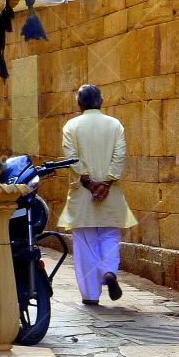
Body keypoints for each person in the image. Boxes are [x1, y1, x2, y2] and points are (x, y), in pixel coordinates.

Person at [57, 84, 137, 305]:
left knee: (85, 242)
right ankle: (109, 271)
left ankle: (91, 295)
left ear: (79, 103)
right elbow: (119, 155)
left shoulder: (71, 126)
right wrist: (108, 182)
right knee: (110, 236)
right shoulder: (114, 125)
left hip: (83, 193)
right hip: (110, 193)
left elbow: (71, 157)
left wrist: (89, 183)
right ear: (101, 102)